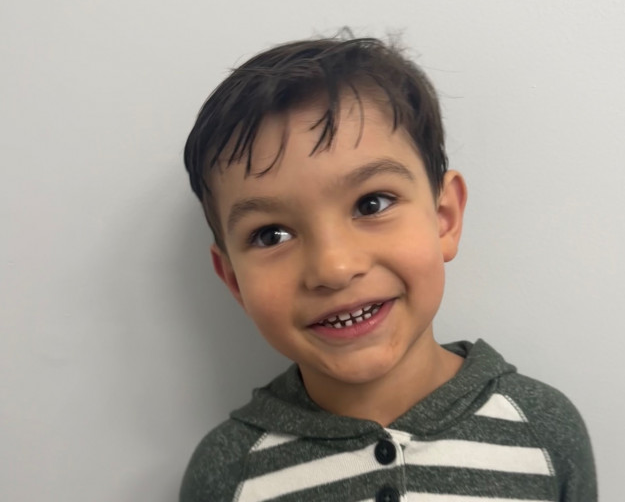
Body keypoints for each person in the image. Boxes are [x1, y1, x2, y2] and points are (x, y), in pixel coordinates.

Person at [179, 33, 597, 502]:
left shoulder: (545, 432)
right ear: (234, 281)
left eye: (372, 204)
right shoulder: (226, 476)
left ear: (444, 218)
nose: (335, 268)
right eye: (272, 234)